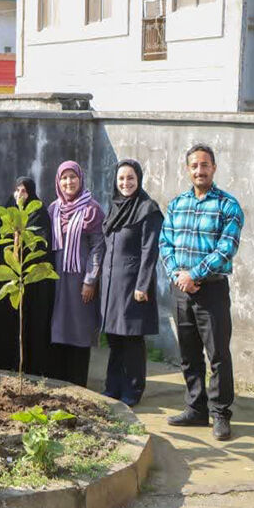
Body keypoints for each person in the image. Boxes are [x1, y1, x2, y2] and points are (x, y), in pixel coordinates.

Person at [159, 144, 244, 440]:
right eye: (194, 165)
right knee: (188, 353)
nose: (199, 170)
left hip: (212, 291)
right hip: (182, 290)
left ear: (214, 168)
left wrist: (194, 275)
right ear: (188, 169)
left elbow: (227, 248)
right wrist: (178, 277)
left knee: (218, 354)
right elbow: (164, 243)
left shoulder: (228, 206)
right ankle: (196, 409)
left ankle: (221, 414)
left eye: (204, 165)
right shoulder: (177, 204)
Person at [100, 160, 164, 407]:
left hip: (133, 285)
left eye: (130, 179)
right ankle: (112, 386)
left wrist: (143, 285)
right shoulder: (115, 207)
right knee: (115, 339)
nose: (125, 183)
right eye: (121, 179)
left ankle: (133, 390)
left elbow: (150, 251)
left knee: (132, 340)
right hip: (111, 285)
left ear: (139, 180)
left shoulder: (148, 209)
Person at [0, 176, 55, 376]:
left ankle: (30, 368)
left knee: (31, 324)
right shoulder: (7, 211)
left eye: (24, 191)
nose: (19, 195)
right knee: (8, 325)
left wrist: (23, 240)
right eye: (17, 190)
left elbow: (41, 244)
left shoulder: (39, 212)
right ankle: (7, 365)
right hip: (11, 279)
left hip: (31, 282)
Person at [49, 161, 106, 387]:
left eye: (73, 177)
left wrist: (90, 280)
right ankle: (62, 384)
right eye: (64, 178)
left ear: (80, 179)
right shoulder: (53, 209)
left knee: (80, 331)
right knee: (59, 330)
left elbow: (98, 246)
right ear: (58, 181)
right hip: (57, 280)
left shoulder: (92, 209)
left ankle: (79, 384)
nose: (68, 182)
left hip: (80, 281)